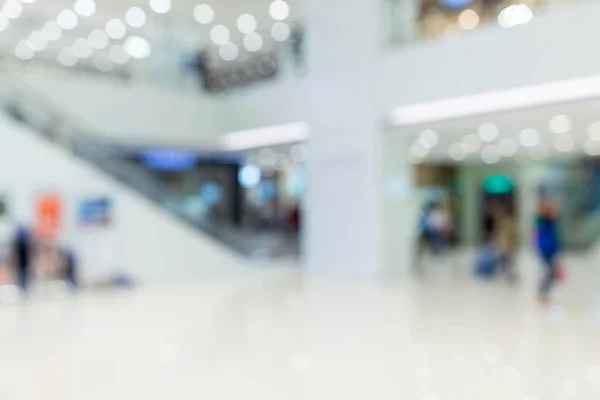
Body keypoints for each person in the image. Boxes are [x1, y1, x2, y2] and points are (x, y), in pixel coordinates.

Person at [535, 196, 561, 305]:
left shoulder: (552, 221)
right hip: (545, 249)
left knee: (550, 273)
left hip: (551, 249)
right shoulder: (542, 221)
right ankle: (542, 293)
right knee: (549, 272)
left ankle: (544, 293)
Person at [492, 204, 518, 283]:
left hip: (506, 246)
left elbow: (511, 236)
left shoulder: (508, 222)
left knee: (507, 261)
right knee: (505, 261)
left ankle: (509, 275)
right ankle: (507, 274)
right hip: (504, 247)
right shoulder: (503, 224)